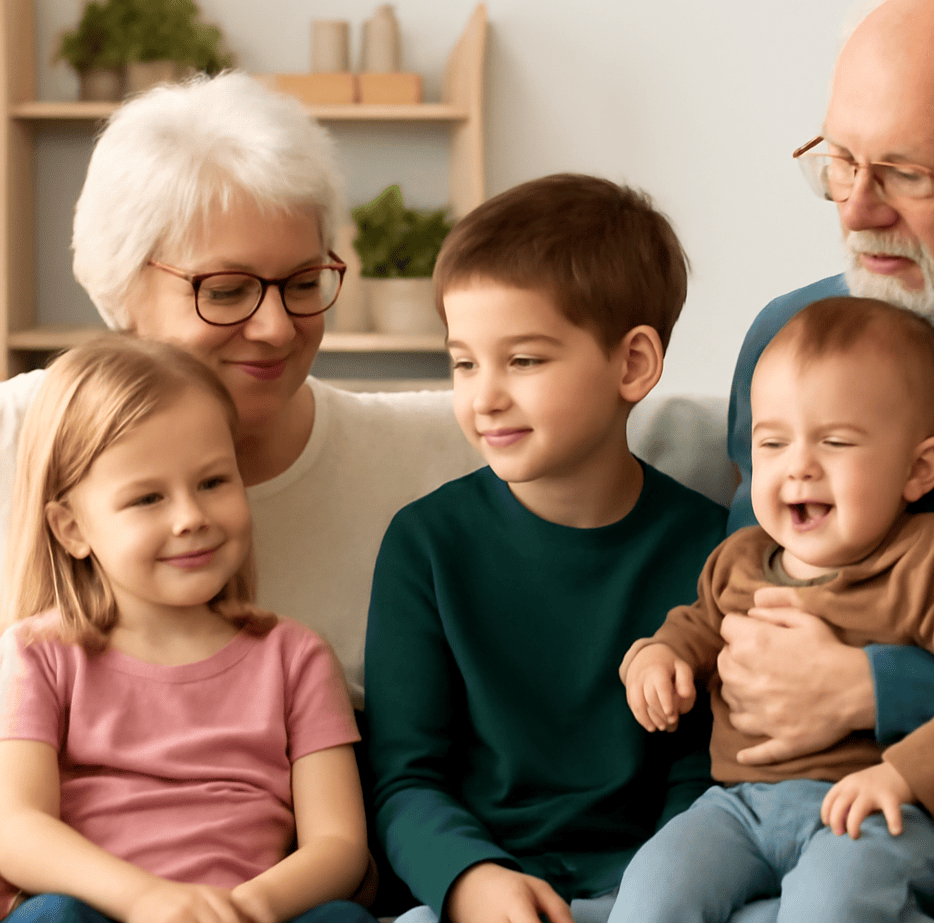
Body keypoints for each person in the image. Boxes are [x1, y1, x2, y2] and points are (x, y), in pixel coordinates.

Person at [0, 71, 481, 711]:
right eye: (226, 291)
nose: (278, 328)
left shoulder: (451, 451)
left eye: (305, 282)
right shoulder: (16, 436)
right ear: (120, 289)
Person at [722, 0, 934, 912]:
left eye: (906, 173)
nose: (855, 210)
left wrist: (876, 689)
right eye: (838, 162)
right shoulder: (793, 340)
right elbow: (739, 627)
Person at [363, 174, 727, 923]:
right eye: (464, 362)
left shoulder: (712, 548)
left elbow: (707, 773)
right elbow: (404, 779)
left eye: (522, 361)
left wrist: (662, 892)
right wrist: (470, 879)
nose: (483, 395)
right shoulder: (425, 545)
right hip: (477, 893)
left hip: (661, 890)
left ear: (632, 365)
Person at [612, 296, 934, 922]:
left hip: (883, 812)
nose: (798, 467)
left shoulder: (933, 562)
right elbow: (694, 626)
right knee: (652, 888)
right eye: (772, 443)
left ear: (918, 469)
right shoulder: (740, 558)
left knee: (834, 903)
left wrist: (905, 778)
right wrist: (657, 660)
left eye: (834, 441)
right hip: (737, 807)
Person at [0, 335, 377, 923]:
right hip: (103, 913)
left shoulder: (295, 655)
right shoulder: (38, 654)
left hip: (255, 915)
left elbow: (340, 845)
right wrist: (147, 899)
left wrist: (240, 909)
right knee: (51, 916)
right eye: (148, 498)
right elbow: (16, 828)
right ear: (71, 529)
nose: (190, 518)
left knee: (342, 920)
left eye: (212, 483)